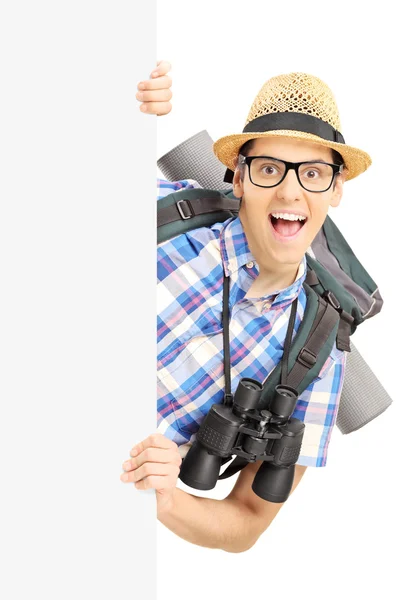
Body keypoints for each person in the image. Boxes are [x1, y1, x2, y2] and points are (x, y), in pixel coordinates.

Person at [120, 62, 372, 553]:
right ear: (238, 177)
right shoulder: (167, 217)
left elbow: (247, 520)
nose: (290, 191)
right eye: (270, 168)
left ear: (336, 190)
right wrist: (124, 104)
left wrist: (167, 498)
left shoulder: (318, 357)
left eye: (315, 173)